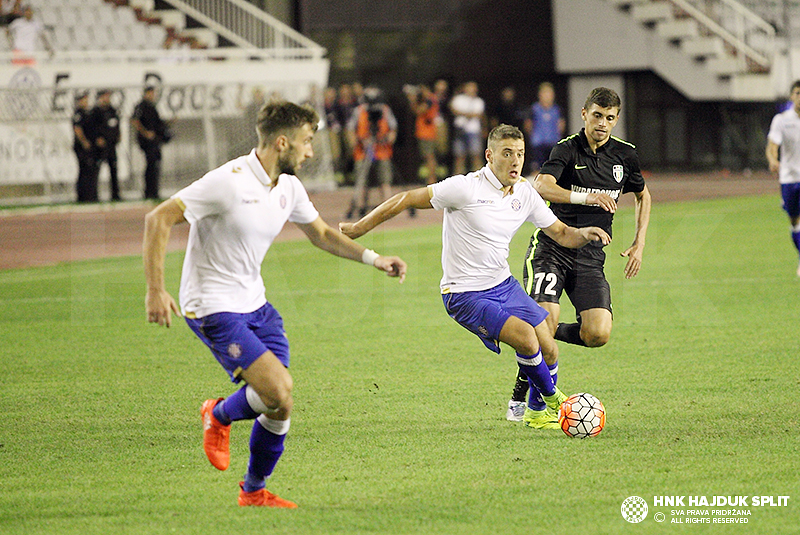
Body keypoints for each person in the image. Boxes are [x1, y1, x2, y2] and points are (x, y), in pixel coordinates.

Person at [143, 100, 407, 508]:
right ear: (282, 142)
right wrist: (156, 290)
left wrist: (374, 259)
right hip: (212, 304)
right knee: (279, 390)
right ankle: (217, 415)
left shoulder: (288, 186)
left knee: (279, 405)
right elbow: (157, 219)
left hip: (256, 303)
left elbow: (320, 233)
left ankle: (252, 491)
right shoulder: (227, 182)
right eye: (305, 142)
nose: (310, 152)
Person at [340, 124, 610, 429]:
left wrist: (583, 234)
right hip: (464, 293)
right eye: (507, 153)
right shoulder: (464, 188)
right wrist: (358, 228)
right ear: (489, 155)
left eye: (519, 154)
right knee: (525, 337)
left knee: (549, 344)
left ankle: (535, 413)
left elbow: (560, 233)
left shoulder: (524, 192)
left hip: (503, 285)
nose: (515, 161)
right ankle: (556, 400)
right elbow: (405, 198)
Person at [506, 87, 651, 421]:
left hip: (590, 257)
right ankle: (526, 398)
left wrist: (639, 242)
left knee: (597, 333)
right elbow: (542, 186)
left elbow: (644, 195)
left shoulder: (625, 156)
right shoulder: (567, 149)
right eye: (597, 115)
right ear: (584, 113)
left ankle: (529, 332)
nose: (603, 123)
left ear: (617, 120)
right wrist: (588, 198)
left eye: (610, 118)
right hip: (552, 249)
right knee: (547, 316)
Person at [344, 87, 398, 219]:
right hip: (362, 151)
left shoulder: (385, 110)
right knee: (361, 181)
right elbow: (350, 129)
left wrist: (388, 140)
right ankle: (360, 207)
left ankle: (388, 208)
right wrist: (356, 143)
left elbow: (393, 129)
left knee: (385, 180)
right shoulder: (359, 111)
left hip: (382, 151)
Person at [766, 80, 800, 277]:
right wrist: (772, 160)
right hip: (788, 178)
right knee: (794, 222)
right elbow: (772, 146)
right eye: (797, 93)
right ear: (791, 96)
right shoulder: (782, 120)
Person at [132, 85, 171, 200]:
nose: (152, 95)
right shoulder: (141, 106)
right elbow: (135, 120)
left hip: (155, 141)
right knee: (150, 165)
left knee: (155, 165)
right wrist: (145, 133)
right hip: (147, 142)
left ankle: (154, 191)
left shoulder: (152, 107)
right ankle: (148, 192)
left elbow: (157, 124)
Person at [524, 82, 565, 175]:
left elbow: (561, 125)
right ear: (540, 95)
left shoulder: (557, 109)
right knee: (537, 170)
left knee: (553, 170)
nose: (547, 96)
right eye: (545, 94)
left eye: (549, 94)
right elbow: (528, 125)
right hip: (538, 145)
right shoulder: (534, 109)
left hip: (553, 144)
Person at [449, 81, 486, 175]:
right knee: (459, 156)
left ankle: (479, 179)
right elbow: (453, 109)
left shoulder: (479, 101)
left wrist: (463, 113)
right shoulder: (458, 99)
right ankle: (457, 179)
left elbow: (478, 114)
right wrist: (468, 114)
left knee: (476, 155)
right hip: (460, 130)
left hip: (473, 131)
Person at [91, 89, 121, 201]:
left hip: (111, 145)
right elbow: (92, 128)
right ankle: (93, 196)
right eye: (105, 97)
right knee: (96, 171)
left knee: (113, 169)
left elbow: (116, 124)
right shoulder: (95, 112)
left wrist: (118, 135)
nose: (107, 99)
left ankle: (115, 195)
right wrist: (97, 138)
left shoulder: (112, 110)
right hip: (100, 147)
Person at [408, 84, 440, 185]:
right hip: (424, 133)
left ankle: (432, 179)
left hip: (428, 133)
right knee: (427, 156)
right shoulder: (428, 100)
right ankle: (430, 179)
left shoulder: (430, 100)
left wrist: (412, 100)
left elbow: (419, 111)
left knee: (429, 156)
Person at [72, 91, 99, 203]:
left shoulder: (88, 113)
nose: (86, 102)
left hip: (89, 146)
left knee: (90, 171)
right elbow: (77, 129)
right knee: (84, 171)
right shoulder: (78, 113)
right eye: (84, 99)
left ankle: (91, 195)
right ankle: (82, 196)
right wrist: (84, 142)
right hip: (81, 147)